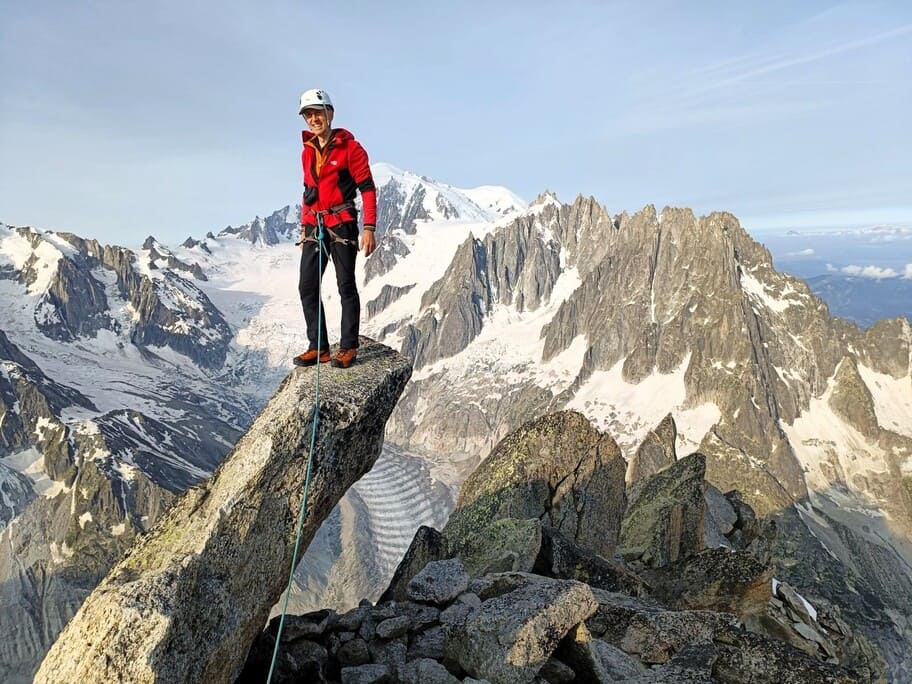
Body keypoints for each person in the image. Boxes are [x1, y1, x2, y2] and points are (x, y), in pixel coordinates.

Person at [293, 88, 377, 369]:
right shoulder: (307, 152)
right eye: (308, 114)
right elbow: (309, 191)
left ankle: (348, 347)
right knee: (307, 284)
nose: (314, 119)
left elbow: (367, 188)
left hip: (343, 224)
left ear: (330, 112)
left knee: (345, 285)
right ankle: (319, 347)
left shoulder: (350, 149)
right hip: (315, 226)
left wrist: (369, 227)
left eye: (318, 112)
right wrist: (305, 226)